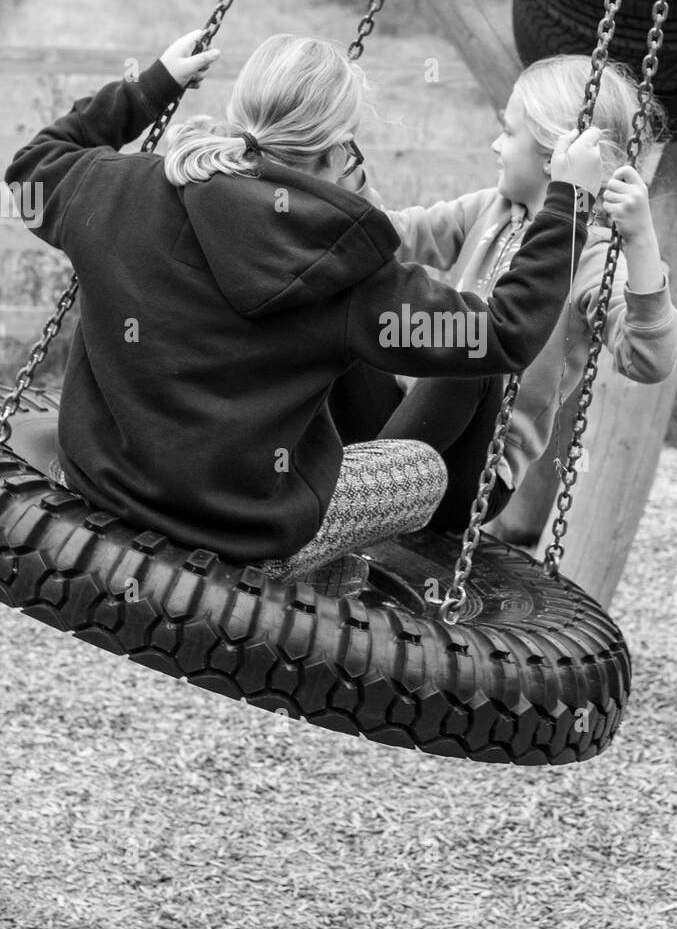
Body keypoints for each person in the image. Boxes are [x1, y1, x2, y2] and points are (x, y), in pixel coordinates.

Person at [5, 32, 604, 593]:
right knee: (421, 467)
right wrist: (568, 203)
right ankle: (327, 573)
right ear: (337, 148)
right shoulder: (347, 270)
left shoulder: (113, 190)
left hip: (99, 482)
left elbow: (33, 165)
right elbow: (503, 333)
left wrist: (152, 85)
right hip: (250, 533)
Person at [331, 54, 677, 531]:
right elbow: (394, 236)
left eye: (509, 131)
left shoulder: (597, 259)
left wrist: (640, 242)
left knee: (475, 348)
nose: (496, 144)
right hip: (397, 428)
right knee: (343, 313)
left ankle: (354, 510)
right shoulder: (492, 210)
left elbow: (649, 359)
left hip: (469, 476)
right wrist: (339, 175)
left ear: (552, 156)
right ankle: (311, 479)